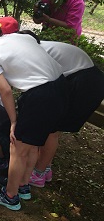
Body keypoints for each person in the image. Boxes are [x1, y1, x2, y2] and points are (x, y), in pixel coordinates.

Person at [0, 12, 68, 211]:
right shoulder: (16, 37)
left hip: (40, 94)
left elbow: (5, 90)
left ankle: (10, 195)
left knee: (17, 146)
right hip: (61, 86)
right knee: (33, 143)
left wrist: (14, 121)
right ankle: (23, 185)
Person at [28, 40, 104, 188]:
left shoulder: (33, 53)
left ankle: (38, 173)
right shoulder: (35, 46)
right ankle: (45, 168)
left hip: (84, 83)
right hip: (84, 79)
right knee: (52, 126)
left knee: (51, 128)